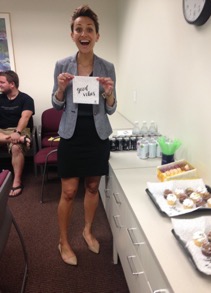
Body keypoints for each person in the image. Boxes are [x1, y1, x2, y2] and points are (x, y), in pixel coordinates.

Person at [52, 5, 117, 266]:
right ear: (72, 35)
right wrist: (60, 89)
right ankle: (63, 242)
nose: (84, 33)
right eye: (79, 29)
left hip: (97, 135)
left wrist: (109, 93)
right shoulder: (62, 65)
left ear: (97, 36)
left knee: (92, 187)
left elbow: (111, 108)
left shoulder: (107, 67)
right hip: (71, 134)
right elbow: (57, 105)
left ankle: (87, 230)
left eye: (89, 29)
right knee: (68, 191)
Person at [0, 70, 35, 197]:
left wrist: (17, 132)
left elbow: (25, 118)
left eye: (2, 82)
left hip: (20, 130)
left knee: (16, 147)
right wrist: (14, 137)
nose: (0, 85)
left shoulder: (26, 99)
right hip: (2, 131)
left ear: (12, 84)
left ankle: (17, 181)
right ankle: (21, 139)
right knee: (14, 140)